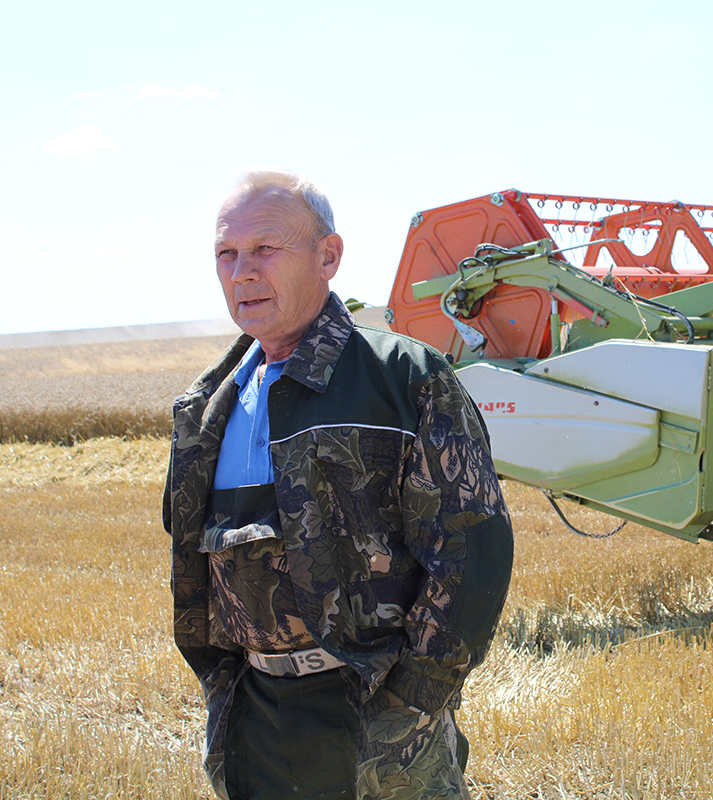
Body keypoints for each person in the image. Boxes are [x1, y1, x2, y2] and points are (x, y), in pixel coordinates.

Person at [163, 169, 513, 800]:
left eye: (265, 249)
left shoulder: (402, 379)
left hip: (375, 716)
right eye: (226, 253)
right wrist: (223, 692)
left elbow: (471, 548)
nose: (242, 271)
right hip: (254, 717)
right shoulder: (207, 406)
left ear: (329, 256)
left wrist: (409, 703)